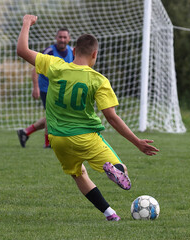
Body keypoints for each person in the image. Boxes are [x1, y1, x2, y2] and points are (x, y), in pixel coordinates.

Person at [16, 15, 159, 221]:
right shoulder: (98, 80)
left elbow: (21, 50)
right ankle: (116, 170)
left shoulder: (55, 65)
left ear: (73, 51)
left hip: (58, 139)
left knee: (79, 174)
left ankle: (111, 215)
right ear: (95, 54)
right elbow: (111, 117)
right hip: (86, 137)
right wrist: (137, 142)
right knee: (122, 169)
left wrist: (26, 24)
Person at [17, 28, 73, 148]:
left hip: (61, 89)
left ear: (69, 39)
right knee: (52, 114)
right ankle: (48, 143)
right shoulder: (49, 51)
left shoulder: (72, 52)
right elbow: (35, 68)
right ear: (56, 38)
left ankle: (26, 132)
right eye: (60, 37)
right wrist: (35, 86)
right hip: (46, 87)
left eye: (64, 37)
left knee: (55, 115)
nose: (62, 40)